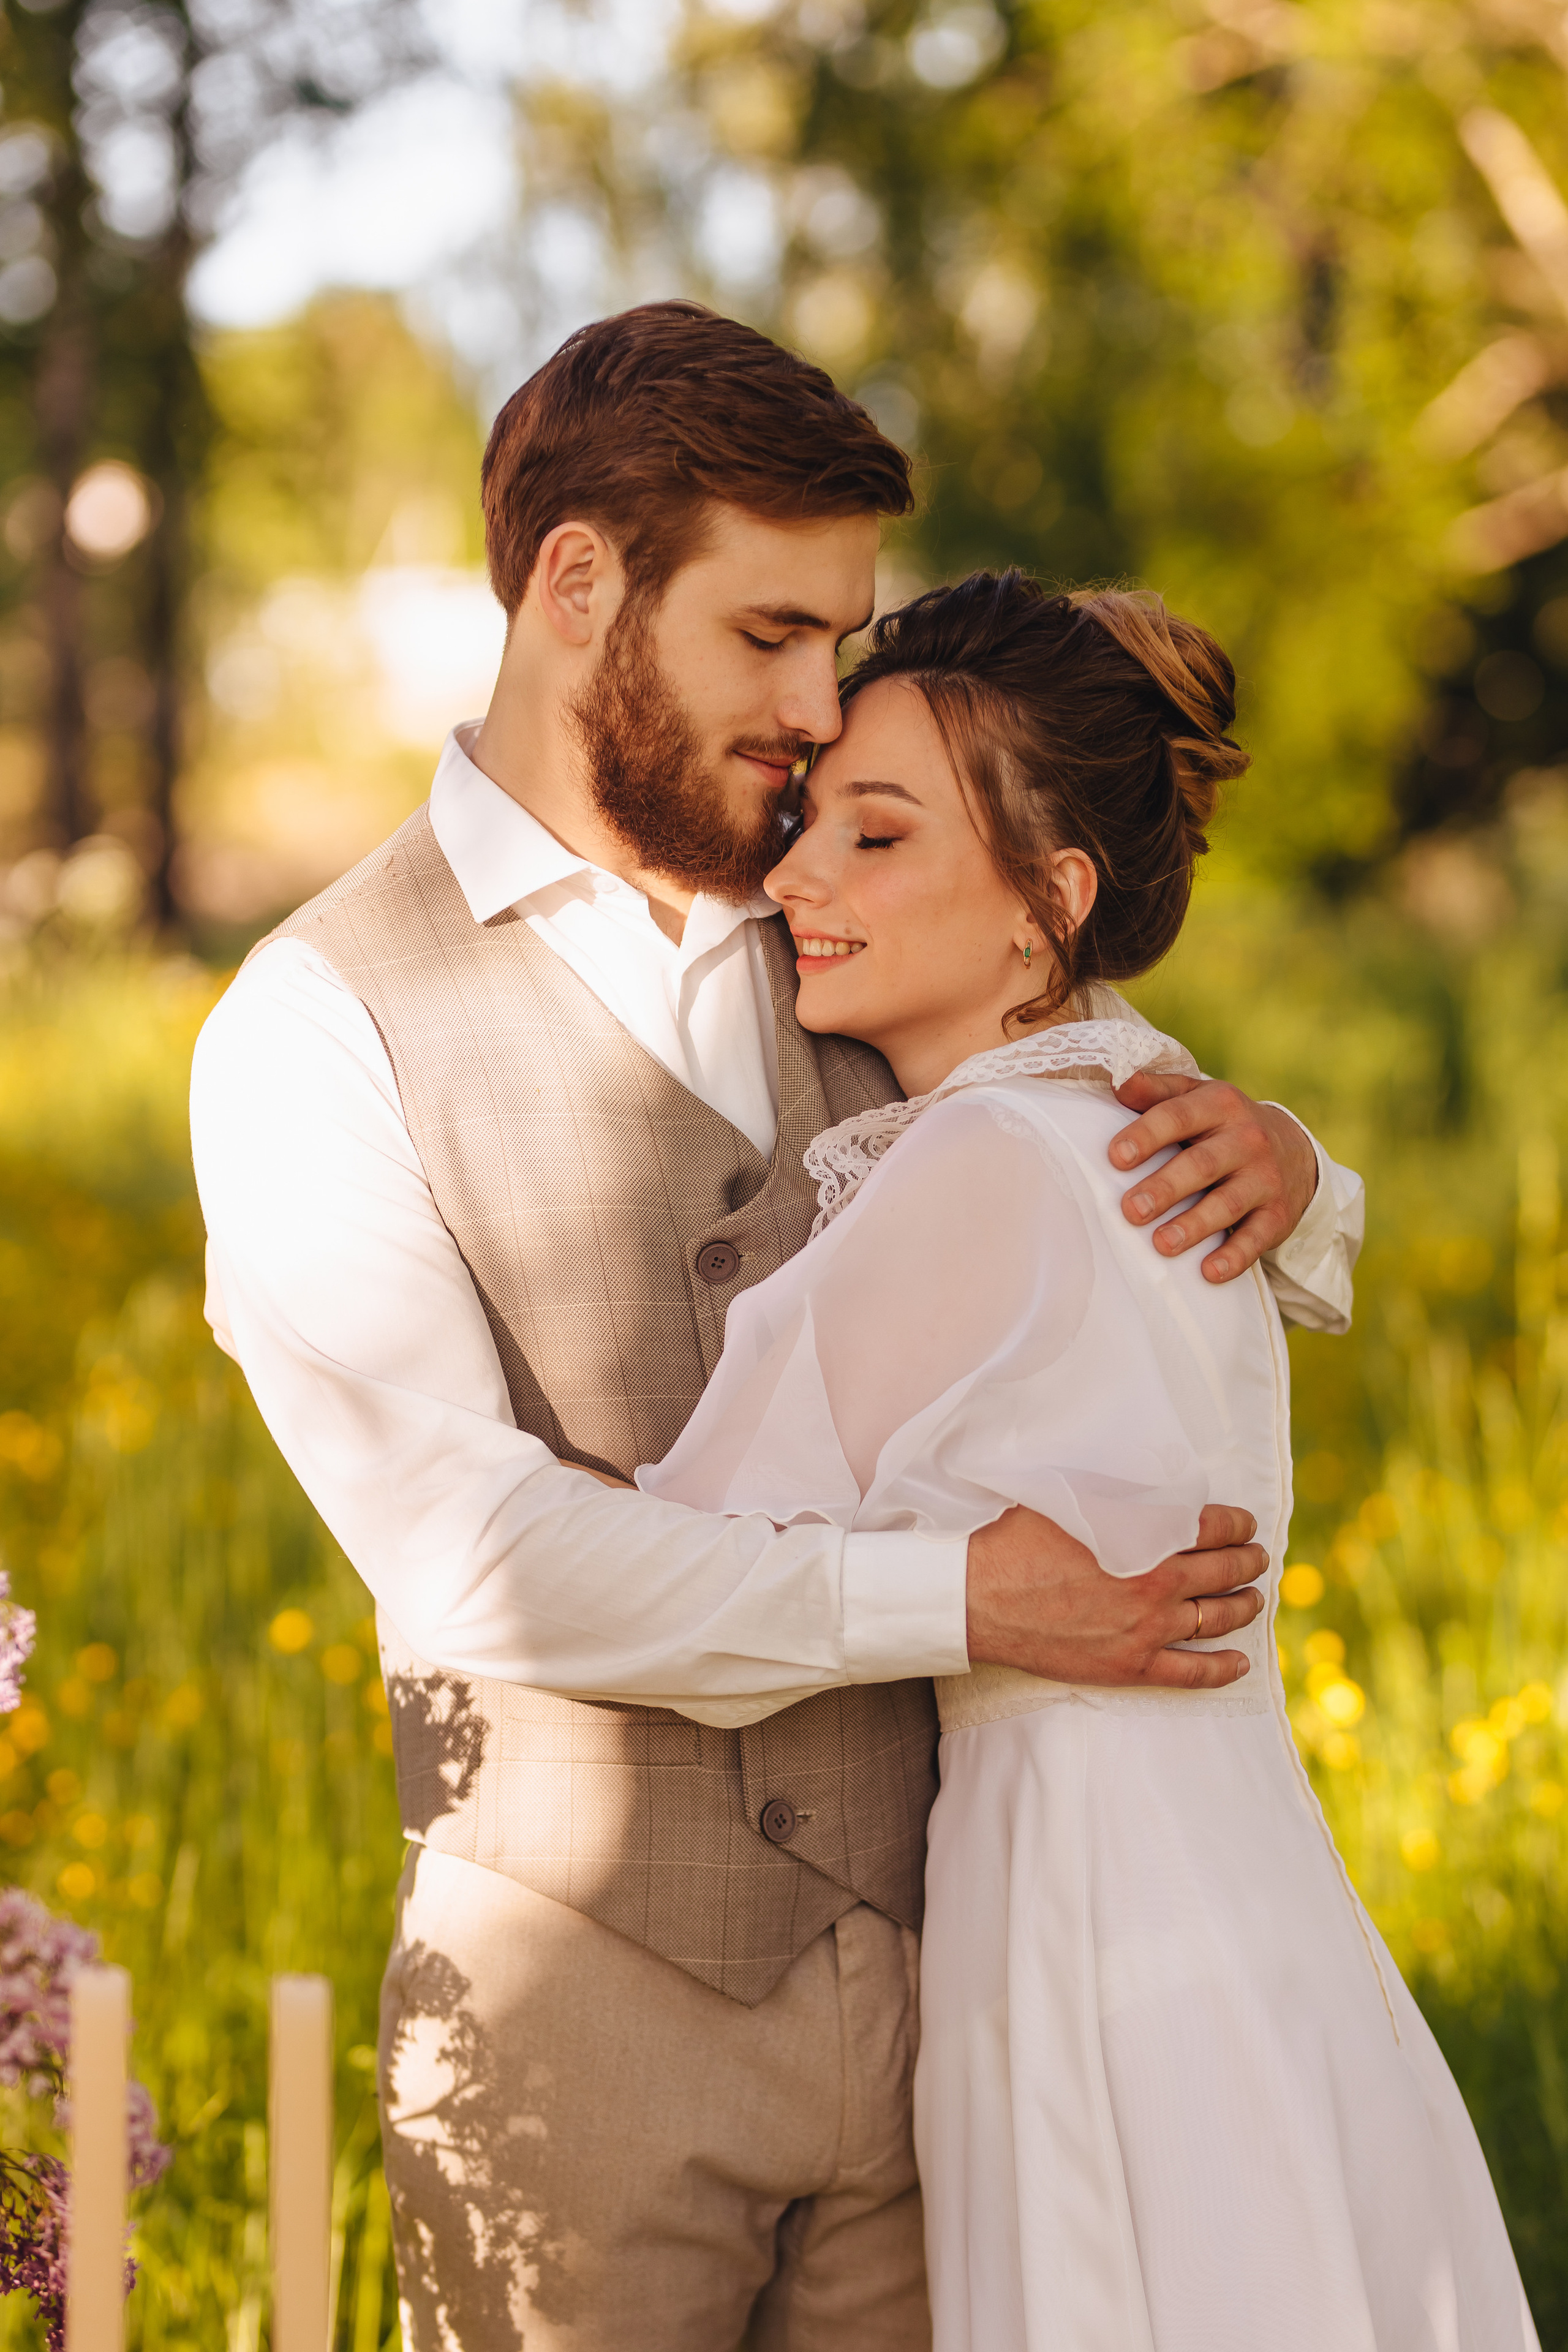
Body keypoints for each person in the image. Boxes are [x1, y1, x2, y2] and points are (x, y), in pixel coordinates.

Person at [190, 303, 1363, 2350]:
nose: (822, 706)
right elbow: (479, 1561)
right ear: (579, 585)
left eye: (842, 639)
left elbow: (1073, 1140)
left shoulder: (846, 904)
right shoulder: (312, 1027)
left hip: (954, 1997)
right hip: (580, 2025)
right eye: (771, 636)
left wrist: (1295, 1164)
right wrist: (966, 1606)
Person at [642, 570, 1537, 2352]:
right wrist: (1304, 1153)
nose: (797, 874)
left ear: (1051, 907)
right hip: (1249, 1882)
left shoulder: (978, 1174)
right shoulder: (1157, 1115)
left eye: (878, 838)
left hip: (1086, 1910)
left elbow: (670, 1563)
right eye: (814, 820)